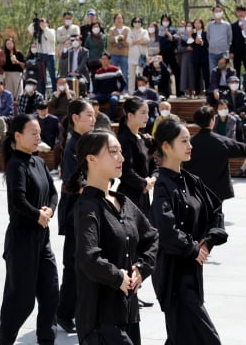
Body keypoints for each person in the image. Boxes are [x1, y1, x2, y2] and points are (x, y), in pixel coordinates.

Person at [69, 130, 158, 345]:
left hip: (128, 313)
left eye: (120, 151)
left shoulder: (124, 202)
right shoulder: (87, 207)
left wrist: (141, 267)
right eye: (113, 152)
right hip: (100, 319)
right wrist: (117, 277)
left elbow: (152, 237)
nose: (122, 158)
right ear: (92, 159)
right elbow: (88, 257)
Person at [149, 119, 227, 345]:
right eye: (183, 141)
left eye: (189, 140)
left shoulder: (191, 181)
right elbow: (165, 229)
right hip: (173, 275)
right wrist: (192, 248)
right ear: (166, 146)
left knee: (180, 336)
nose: (189, 145)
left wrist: (208, 242)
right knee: (207, 338)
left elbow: (215, 209)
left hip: (192, 270)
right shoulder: (162, 186)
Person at [0, 114, 59, 345]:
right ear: (18, 136)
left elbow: (53, 193)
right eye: (33, 133)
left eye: (39, 133)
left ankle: (46, 339)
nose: (38, 137)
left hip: (42, 238)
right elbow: (18, 201)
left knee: (51, 294)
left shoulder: (39, 162)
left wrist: (49, 211)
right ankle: (4, 340)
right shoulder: (15, 165)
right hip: (22, 240)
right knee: (21, 300)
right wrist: (37, 215)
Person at [57, 100, 96, 334]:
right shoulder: (73, 146)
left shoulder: (86, 142)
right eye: (88, 115)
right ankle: (63, 312)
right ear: (75, 118)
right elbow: (73, 182)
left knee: (81, 263)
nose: (93, 119)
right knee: (72, 264)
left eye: (94, 115)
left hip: (86, 208)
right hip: (75, 210)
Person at [185, 105, 246, 201]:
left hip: (194, 188)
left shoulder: (189, 142)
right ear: (212, 121)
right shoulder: (222, 141)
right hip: (217, 191)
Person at [117, 97, 156, 214]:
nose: (147, 117)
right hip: (130, 195)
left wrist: (153, 178)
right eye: (143, 113)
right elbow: (125, 170)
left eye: (148, 113)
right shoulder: (124, 140)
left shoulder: (143, 138)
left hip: (143, 193)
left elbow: (153, 164)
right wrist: (144, 183)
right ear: (130, 115)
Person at [93, 52, 126, 120]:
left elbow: (123, 82)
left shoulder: (116, 70)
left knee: (113, 100)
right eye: (102, 59)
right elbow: (95, 86)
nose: (104, 61)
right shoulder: (98, 72)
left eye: (105, 59)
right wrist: (94, 93)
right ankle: (95, 119)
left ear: (109, 60)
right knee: (93, 100)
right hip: (102, 94)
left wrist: (118, 91)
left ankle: (110, 119)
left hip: (112, 94)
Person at [28, 18, 57, 95]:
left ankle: (55, 93)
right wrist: (35, 23)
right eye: (41, 22)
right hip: (40, 56)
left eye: (44, 22)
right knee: (41, 78)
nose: (41, 23)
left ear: (48, 23)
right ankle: (41, 95)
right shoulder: (38, 33)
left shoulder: (51, 31)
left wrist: (44, 26)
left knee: (52, 76)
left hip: (49, 55)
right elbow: (30, 29)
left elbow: (50, 37)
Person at [158, 14, 182, 96]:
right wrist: (170, 38)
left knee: (177, 71)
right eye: (164, 20)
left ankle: (179, 92)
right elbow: (161, 42)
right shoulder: (160, 30)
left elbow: (175, 42)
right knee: (164, 73)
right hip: (162, 54)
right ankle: (164, 92)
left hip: (172, 54)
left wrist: (169, 36)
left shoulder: (173, 30)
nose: (165, 22)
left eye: (167, 20)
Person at [126, 16, 150, 94]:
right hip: (132, 57)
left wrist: (134, 41)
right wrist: (139, 40)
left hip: (141, 57)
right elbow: (128, 40)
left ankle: (144, 92)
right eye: (135, 22)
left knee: (143, 75)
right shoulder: (130, 32)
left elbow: (146, 40)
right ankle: (131, 92)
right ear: (133, 23)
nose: (137, 23)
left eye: (139, 21)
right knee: (131, 76)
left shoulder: (144, 31)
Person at [108, 13, 131, 91]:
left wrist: (116, 41)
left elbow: (128, 42)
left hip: (124, 54)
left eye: (120, 18)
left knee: (124, 72)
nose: (119, 20)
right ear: (114, 20)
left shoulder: (127, 29)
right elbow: (110, 40)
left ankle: (125, 89)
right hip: (114, 55)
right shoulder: (112, 29)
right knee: (114, 73)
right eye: (117, 18)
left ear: (123, 19)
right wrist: (120, 38)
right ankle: (114, 89)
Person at [207, 5, 233, 73]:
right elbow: (208, 37)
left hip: (223, 53)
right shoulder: (210, 25)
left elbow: (230, 38)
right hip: (212, 54)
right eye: (216, 11)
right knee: (212, 74)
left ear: (222, 12)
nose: (218, 13)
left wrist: (227, 49)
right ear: (213, 13)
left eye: (220, 11)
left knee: (224, 74)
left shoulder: (227, 25)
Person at [230, 5, 246, 76]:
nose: (241, 13)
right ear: (236, 13)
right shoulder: (232, 25)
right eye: (239, 11)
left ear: (245, 13)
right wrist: (231, 52)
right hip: (236, 51)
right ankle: (237, 86)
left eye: (242, 11)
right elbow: (231, 40)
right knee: (236, 70)